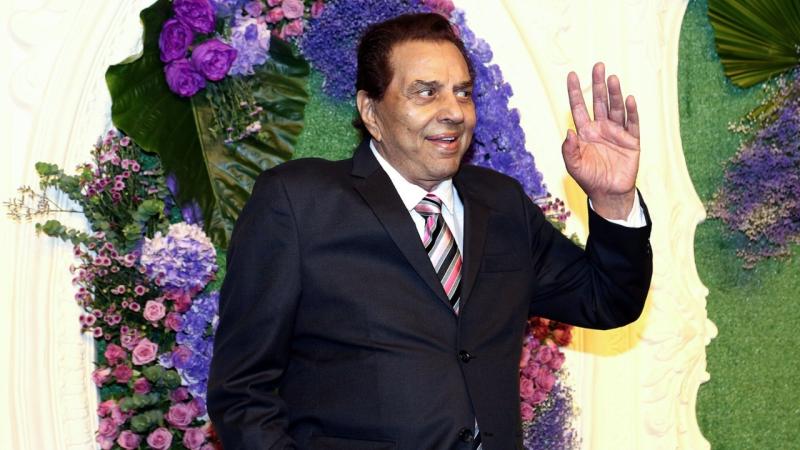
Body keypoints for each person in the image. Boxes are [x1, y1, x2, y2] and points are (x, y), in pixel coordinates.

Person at [208, 13, 652, 450]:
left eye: (463, 93)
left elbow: (606, 299)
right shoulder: (301, 202)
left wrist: (614, 199)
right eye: (426, 93)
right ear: (371, 112)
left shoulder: (501, 203)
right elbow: (242, 391)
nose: (454, 112)